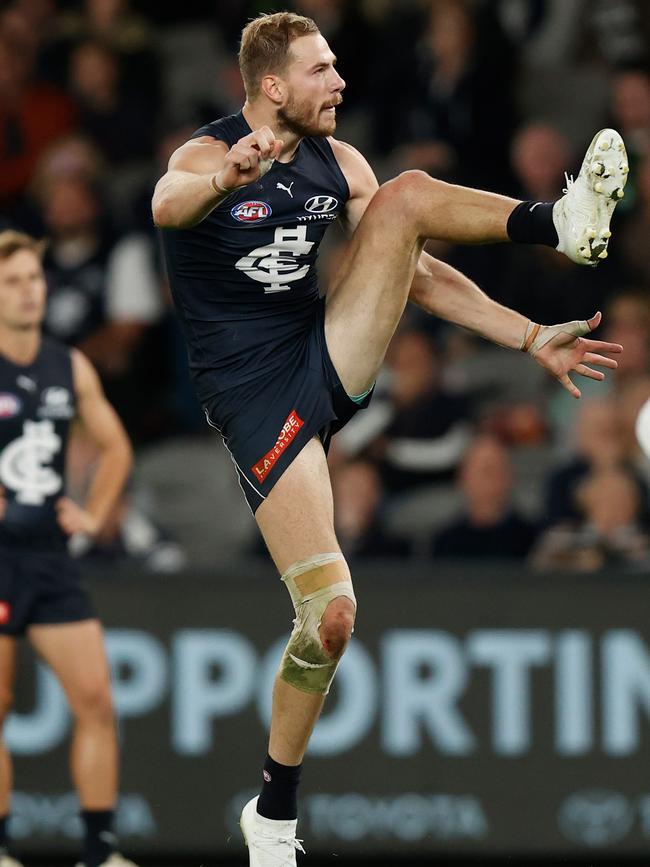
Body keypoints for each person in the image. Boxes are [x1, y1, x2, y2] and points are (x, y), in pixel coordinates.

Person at [152, 12, 626, 864]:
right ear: (271, 86)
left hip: (322, 351)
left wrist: (526, 334)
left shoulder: (340, 163)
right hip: (253, 399)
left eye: (337, 66)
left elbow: (419, 267)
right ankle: (275, 813)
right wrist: (227, 176)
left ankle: (557, 221)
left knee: (406, 197)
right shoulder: (206, 154)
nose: (339, 82)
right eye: (321, 69)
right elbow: (167, 202)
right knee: (330, 618)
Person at [0, 230, 135, 867]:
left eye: (35, 278)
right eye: (15, 282)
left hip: (50, 556)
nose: (31, 292)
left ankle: (99, 851)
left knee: (96, 699)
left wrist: (93, 514)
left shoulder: (66, 364)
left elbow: (116, 446)